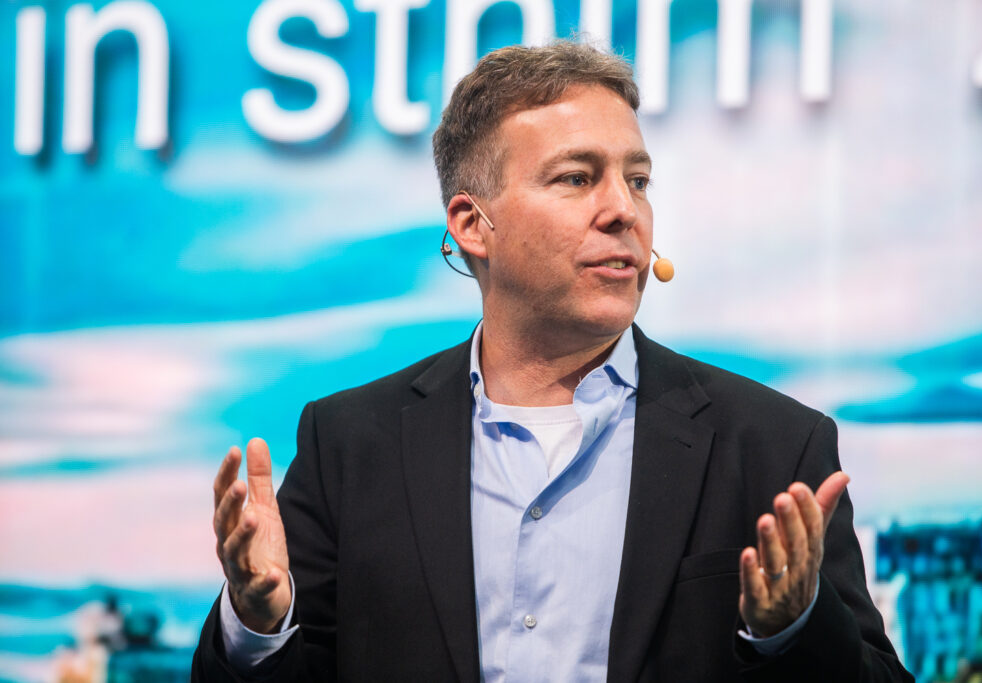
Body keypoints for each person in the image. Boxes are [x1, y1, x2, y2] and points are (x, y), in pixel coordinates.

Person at [192, 42, 913, 681]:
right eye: (576, 177)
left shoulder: (776, 445)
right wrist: (256, 628)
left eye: (637, 179)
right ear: (474, 225)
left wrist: (792, 629)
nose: (623, 209)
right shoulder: (349, 442)